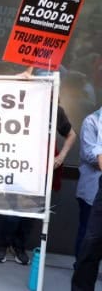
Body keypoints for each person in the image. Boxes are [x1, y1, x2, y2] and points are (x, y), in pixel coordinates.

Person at [0, 104, 75, 265]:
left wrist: (61, 156)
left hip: (41, 171)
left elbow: (71, 134)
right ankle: (3, 244)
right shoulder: (20, 102)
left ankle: (19, 246)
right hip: (17, 166)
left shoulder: (55, 109)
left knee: (31, 213)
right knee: (12, 212)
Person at [73, 106, 102, 267]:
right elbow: (90, 155)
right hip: (92, 190)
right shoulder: (92, 121)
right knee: (88, 233)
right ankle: (80, 267)